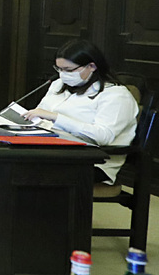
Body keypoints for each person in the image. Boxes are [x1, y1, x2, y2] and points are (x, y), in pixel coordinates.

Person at [24, 39, 139, 183]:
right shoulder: (58, 85)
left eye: (68, 70)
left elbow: (103, 136)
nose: (62, 74)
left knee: (25, 173)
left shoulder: (116, 95)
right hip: (51, 151)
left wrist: (57, 118)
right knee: (10, 165)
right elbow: (39, 115)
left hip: (92, 162)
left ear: (91, 66)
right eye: (59, 69)